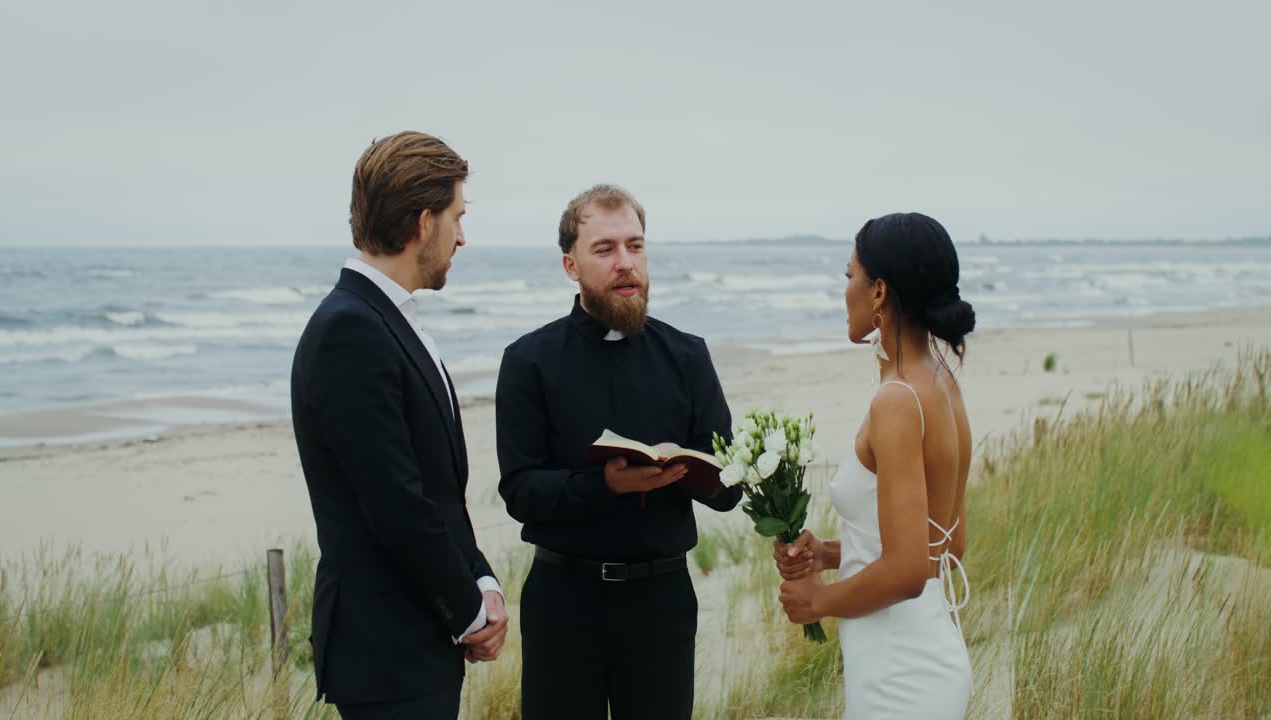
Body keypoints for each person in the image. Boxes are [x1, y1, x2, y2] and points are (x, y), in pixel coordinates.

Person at [494, 184, 743, 719]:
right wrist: (602, 485)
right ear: (571, 264)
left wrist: (698, 471)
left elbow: (729, 489)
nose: (625, 263)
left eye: (635, 245)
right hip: (564, 599)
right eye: (605, 249)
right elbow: (518, 491)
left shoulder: (687, 356)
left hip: (661, 599)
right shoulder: (528, 361)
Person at [290, 131, 508, 720]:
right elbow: (395, 505)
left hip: (419, 646)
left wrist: (483, 579)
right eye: (456, 218)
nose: (462, 236)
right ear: (422, 221)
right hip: (385, 651)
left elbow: (437, 491)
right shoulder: (350, 331)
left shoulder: (388, 320)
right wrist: (468, 611)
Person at [774, 212, 976, 719]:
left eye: (849, 276)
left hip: (899, 673)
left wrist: (818, 602)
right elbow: (947, 542)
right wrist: (830, 553)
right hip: (922, 653)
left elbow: (909, 571)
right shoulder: (944, 384)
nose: (845, 290)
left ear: (879, 292)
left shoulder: (897, 401)